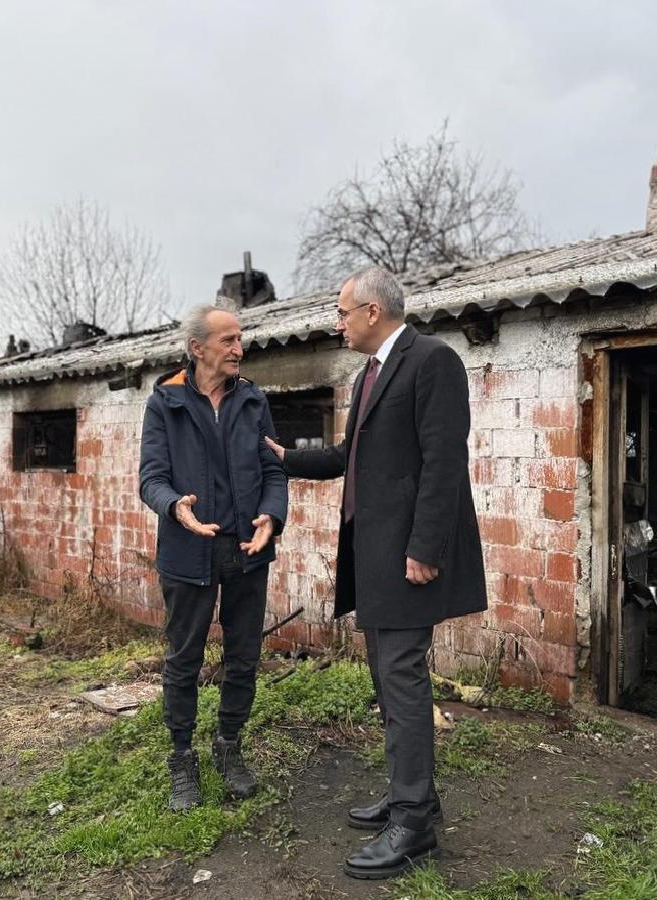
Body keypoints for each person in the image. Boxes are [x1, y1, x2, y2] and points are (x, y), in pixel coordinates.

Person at [265, 266, 486, 879]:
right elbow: (346, 457)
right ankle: (411, 792)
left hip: (411, 558)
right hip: (377, 557)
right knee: (388, 682)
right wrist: (286, 458)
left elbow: (445, 462)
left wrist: (425, 549)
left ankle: (413, 824)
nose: (335, 322)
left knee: (402, 679)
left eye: (341, 311)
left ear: (372, 312)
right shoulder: (369, 374)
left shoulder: (432, 361)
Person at [139, 303, 288, 812]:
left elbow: (273, 470)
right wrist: (174, 507)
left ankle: (229, 747)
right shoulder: (165, 403)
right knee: (184, 659)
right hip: (188, 549)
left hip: (246, 550)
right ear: (197, 348)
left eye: (239, 339)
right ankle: (182, 759)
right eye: (227, 340)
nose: (238, 348)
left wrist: (272, 514)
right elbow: (150, 478)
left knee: (244, 656)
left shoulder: (252, 401)